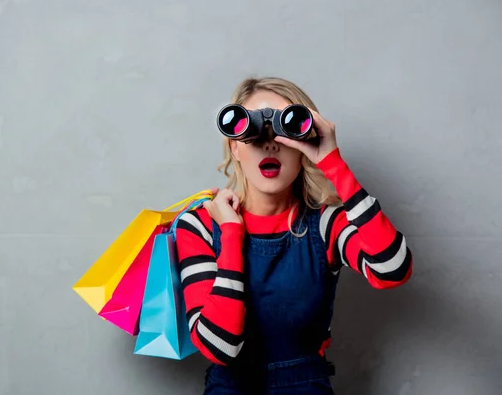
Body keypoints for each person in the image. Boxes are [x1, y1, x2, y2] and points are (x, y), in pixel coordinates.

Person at [174, 76, 413, 395]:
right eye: (253, 131)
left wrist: (333, 164)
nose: (269, 143)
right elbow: (221, 348)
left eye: (283, 132)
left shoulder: (326, 225)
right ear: (234, 144)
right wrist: (231, 233)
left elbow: (392, 270)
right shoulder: (200, 226)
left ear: (305, 142)